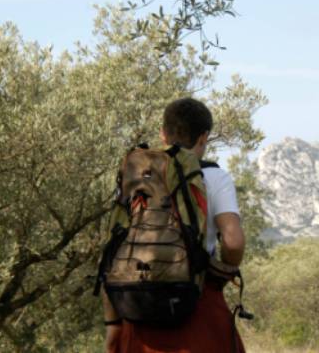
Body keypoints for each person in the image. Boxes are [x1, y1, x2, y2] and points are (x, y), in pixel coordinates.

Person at [103, 97, 246, 353]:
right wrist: (220, 275)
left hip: (138, 309)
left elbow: (113, 248)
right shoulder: (215, 177)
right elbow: (233, 242)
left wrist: (113, 324)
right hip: (196, 304)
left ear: (163, 133)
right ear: (204, 137)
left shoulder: (139, 177)